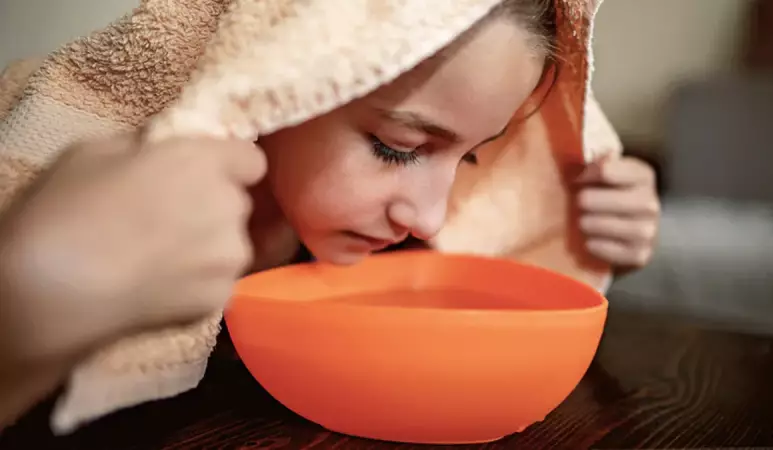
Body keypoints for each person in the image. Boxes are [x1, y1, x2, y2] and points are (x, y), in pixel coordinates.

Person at [0, 0, 659, 428]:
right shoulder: (50, 175)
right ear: (275, 76)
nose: (431, 218)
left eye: (472, 158)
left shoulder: (384, 249)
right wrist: (29, 309)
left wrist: (576, 239)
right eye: (398, 147)